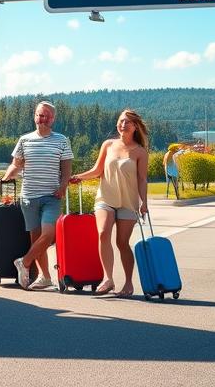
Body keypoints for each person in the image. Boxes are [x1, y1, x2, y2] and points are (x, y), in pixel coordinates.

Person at [71, 109, 149, 298]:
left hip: (128, 202)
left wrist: (144, 203)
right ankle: (108, 278)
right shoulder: (108, 145)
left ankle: (129, 283)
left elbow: (141, 179)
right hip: (105, 198)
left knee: (122, 243)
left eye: (128, 122)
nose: (123, 125)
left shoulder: (140, 151)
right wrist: (78, 177)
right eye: (121, 121)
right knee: (103, 232)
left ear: (135, 127)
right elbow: (97, 170)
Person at [1, 101, 73, 291]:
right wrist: (8, 175)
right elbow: (16, 164)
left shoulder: (61, 140)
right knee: (36, 240)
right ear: (35, 117)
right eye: (40, 115)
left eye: (47, 116)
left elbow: (66, 170)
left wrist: (63, 185)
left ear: (53, 119)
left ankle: (23, 262)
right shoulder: (25, 140)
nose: (43, 119)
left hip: (52, 196)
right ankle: (45, 277)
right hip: (29, 197)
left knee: (48, 235)